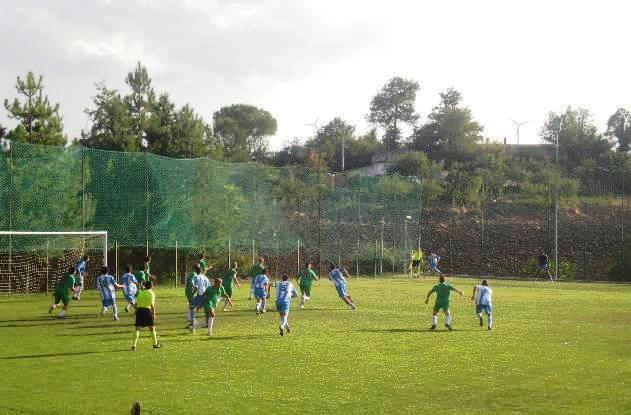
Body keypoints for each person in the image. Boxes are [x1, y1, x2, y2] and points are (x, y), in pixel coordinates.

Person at [132, 280, 161, 350]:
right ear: (152, 286)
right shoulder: (151, 293)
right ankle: (155, 344)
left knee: (137, 328)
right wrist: (154, 314)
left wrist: (136, 310)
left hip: (140, 311)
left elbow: (135, 304)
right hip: (147, 311)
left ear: (145, 286)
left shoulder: (141, 293)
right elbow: (152, 305)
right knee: (152, 328)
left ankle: (134, 345)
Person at [189, 265, 211, 332]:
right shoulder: (205, 277)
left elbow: (196, 287)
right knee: (207, 310)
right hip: (207, 295)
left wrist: (192, 294)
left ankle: (193, 324)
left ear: (195, 270)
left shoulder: (196, 277)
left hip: (200, 295)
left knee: (192, 307)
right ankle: (207, 324)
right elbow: (209, 287)